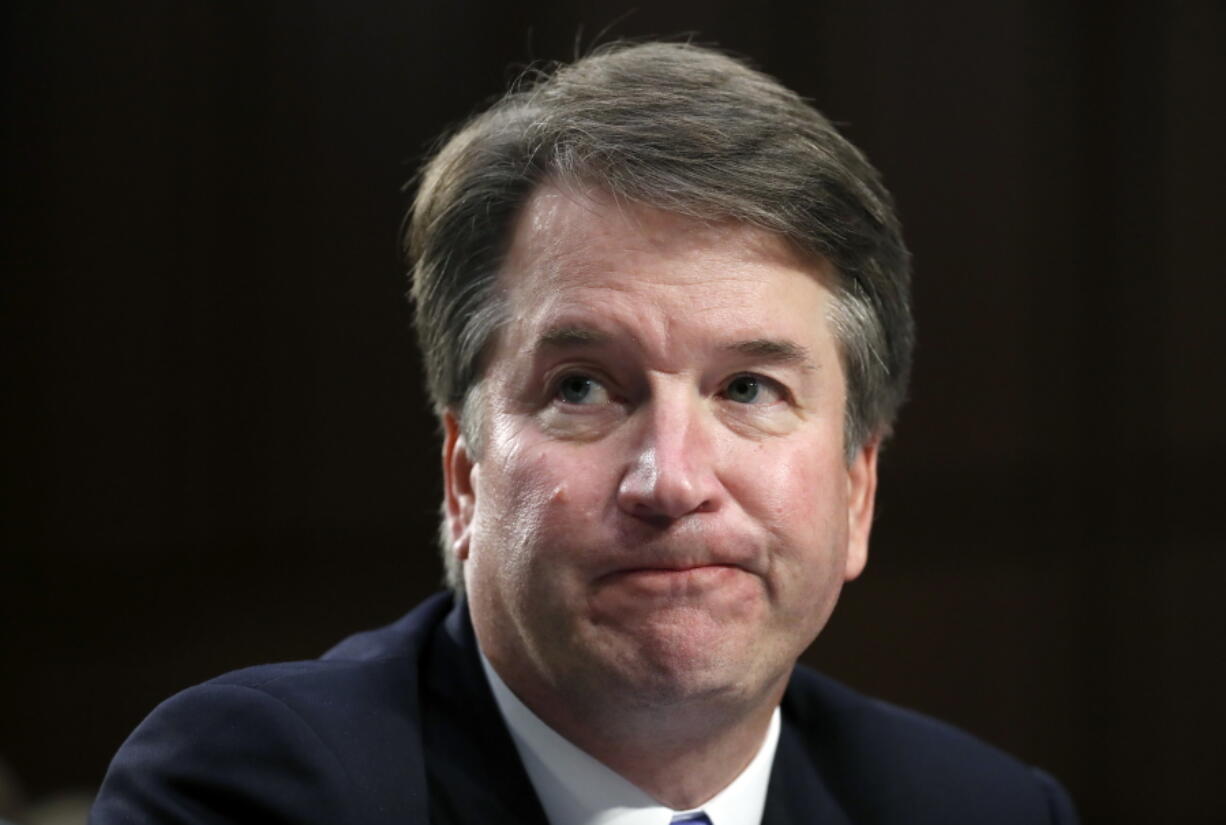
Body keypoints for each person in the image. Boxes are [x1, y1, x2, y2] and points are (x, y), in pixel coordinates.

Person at [91, 41, 1078, 824]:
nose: (671, 479)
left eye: (746, 387)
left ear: (856, 490)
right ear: (464, 477)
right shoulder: (260, 792)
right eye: (582, 389)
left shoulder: (978, 807)